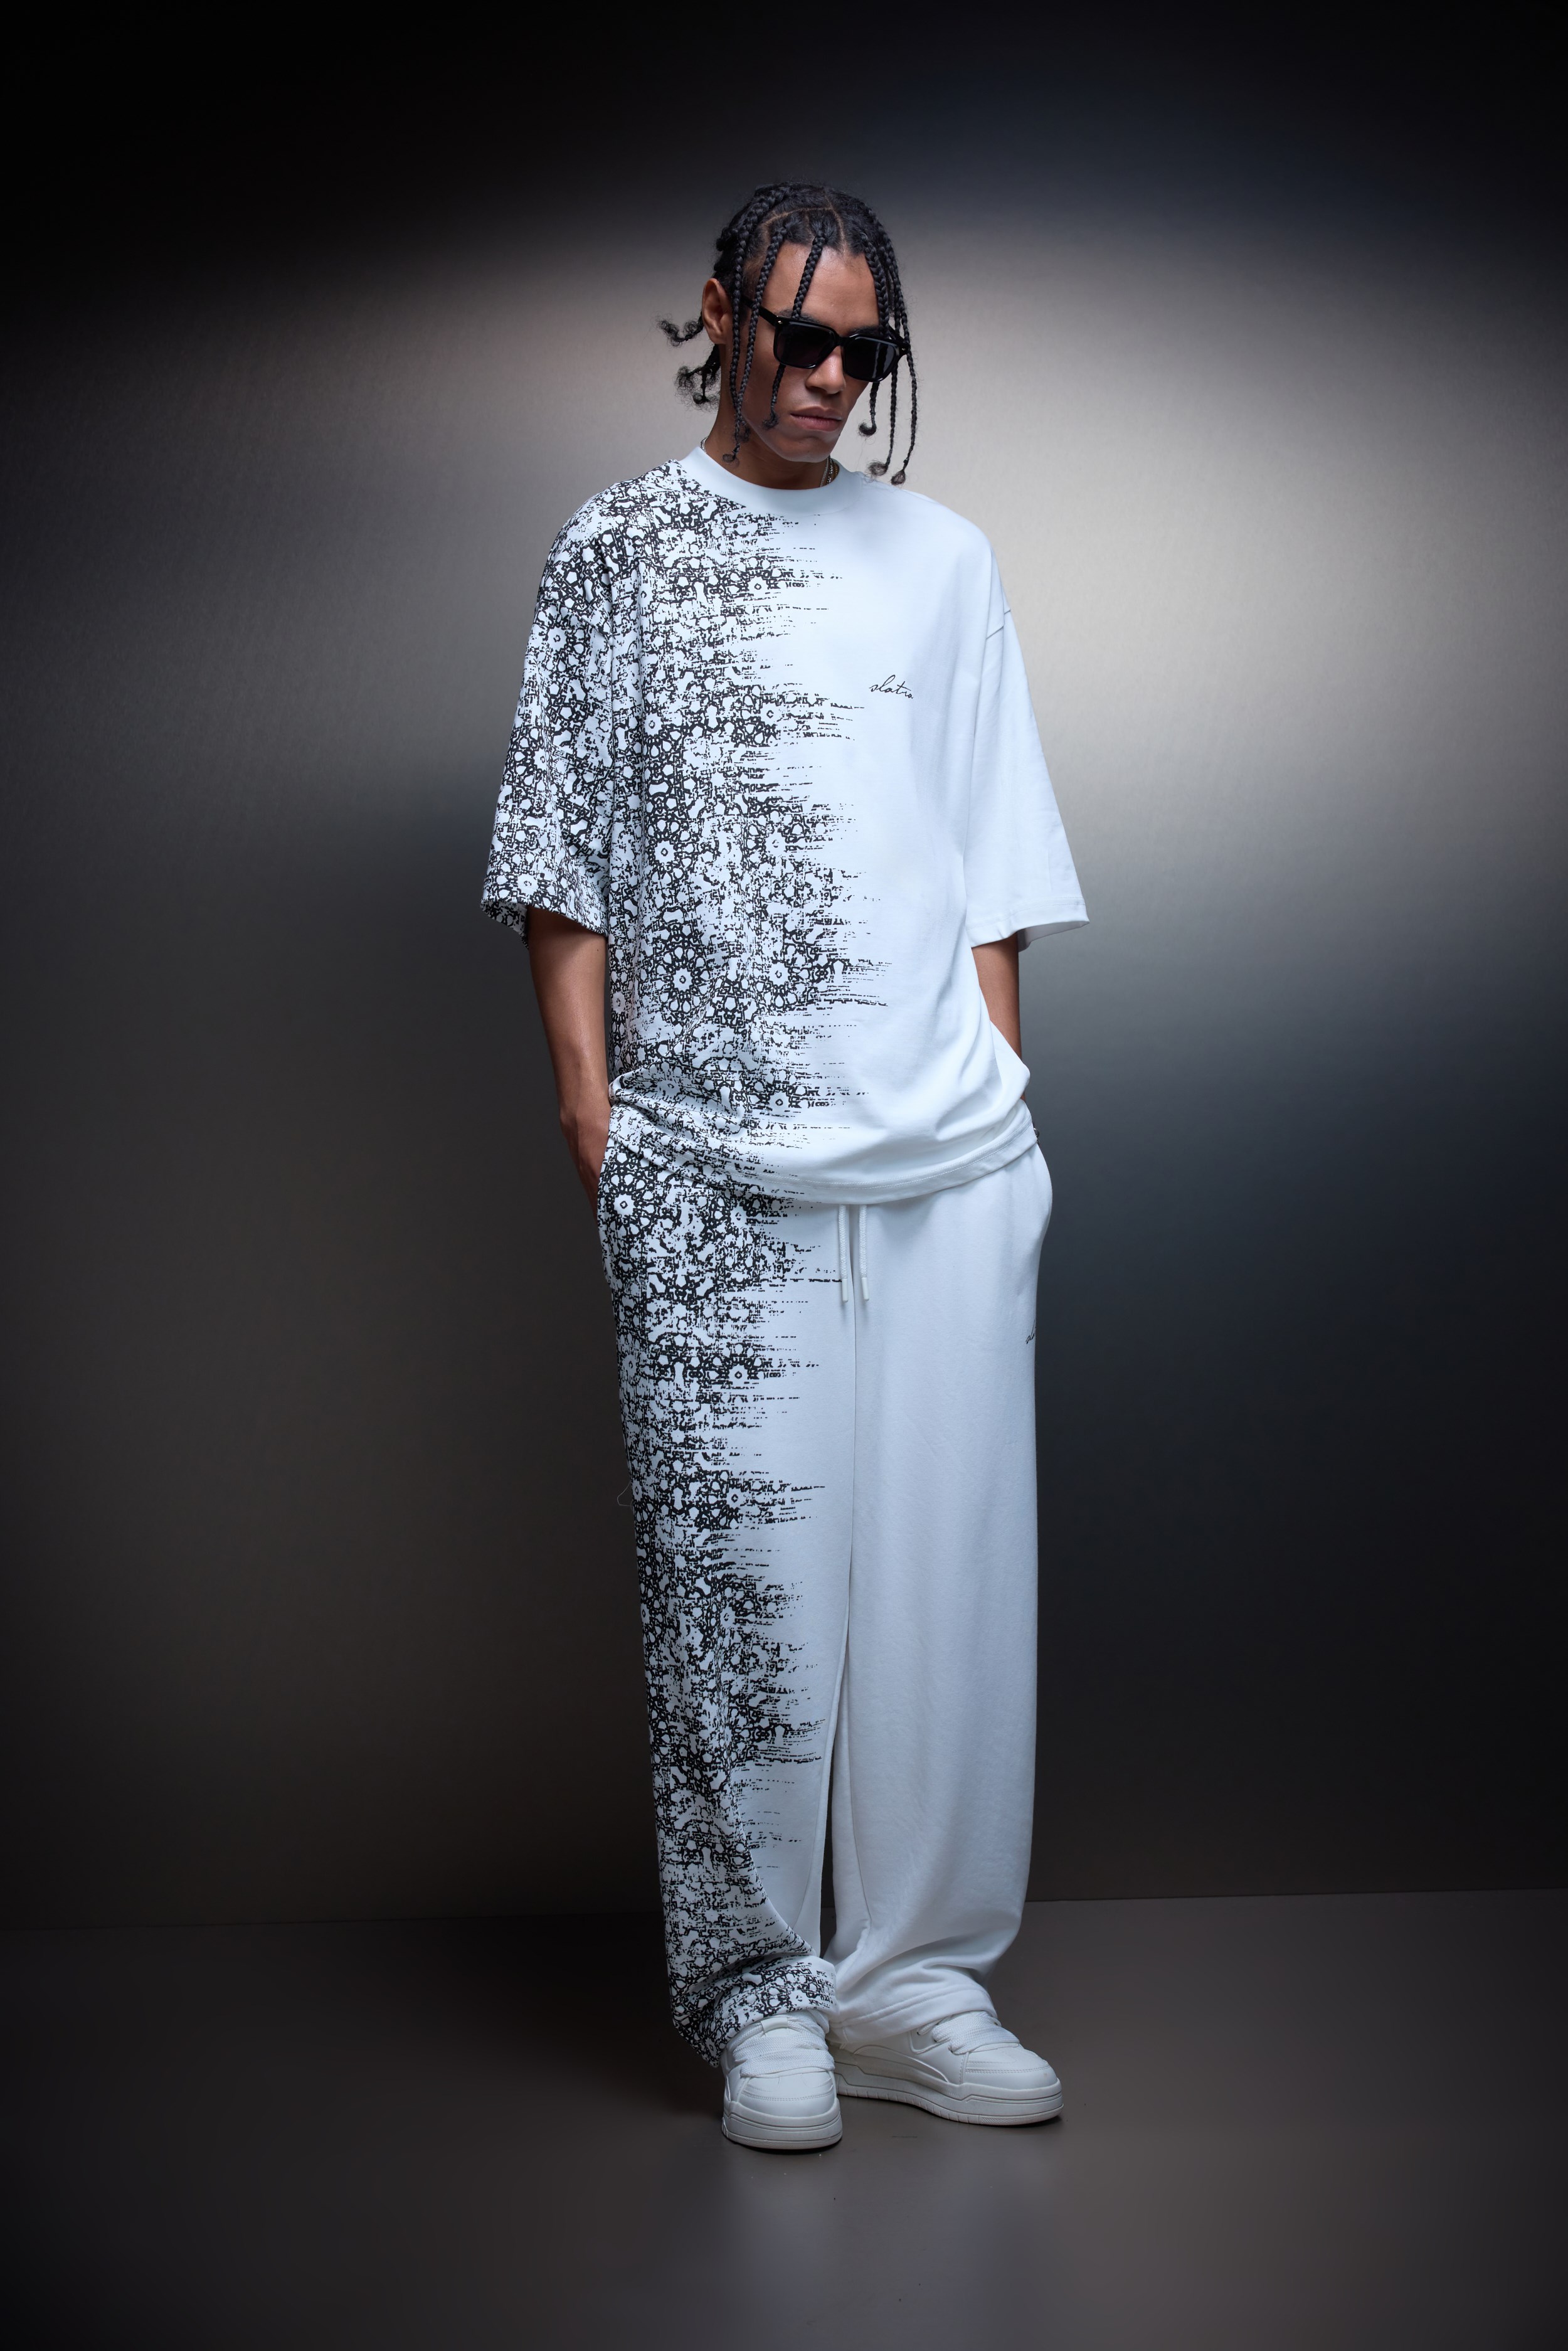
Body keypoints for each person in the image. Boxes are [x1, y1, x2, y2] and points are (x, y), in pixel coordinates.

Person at [483, 183, 1086, 2151]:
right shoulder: (620, 548)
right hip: (709, 1167)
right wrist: (594, 1112)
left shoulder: (945, 561)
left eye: (864, 351)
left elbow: (991, 857)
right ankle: (759, 1993)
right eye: (798, 335)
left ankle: (912, 1982)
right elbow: (557, 848)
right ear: (719, 314)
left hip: (944, 1163)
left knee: (941, 1601)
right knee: (740, 1598)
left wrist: (1004, 1114)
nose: (829, 376)